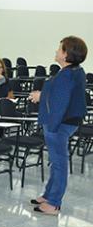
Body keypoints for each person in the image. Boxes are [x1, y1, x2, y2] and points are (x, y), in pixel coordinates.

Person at [28, 36, 87, 215]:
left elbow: (59, 102)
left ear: (66, 54)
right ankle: (48, 195)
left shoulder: (68, 74)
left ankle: (53, 203)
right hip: (67, 121)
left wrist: (41, 97)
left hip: (59, 123)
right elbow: (60, 95)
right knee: (55, 161)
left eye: (59, 48)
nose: (56, 51)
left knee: (59, 163)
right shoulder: (75, 71)